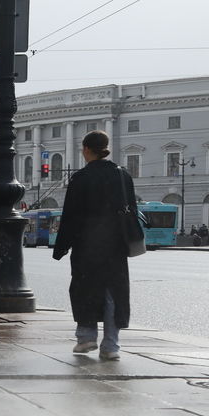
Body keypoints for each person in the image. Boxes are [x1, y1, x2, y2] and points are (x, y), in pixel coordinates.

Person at [52, 130, 132, 361]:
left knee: (85, 290)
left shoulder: (81, 178)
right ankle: (111, 346)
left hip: (87, 245)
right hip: (115, 246)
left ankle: (86, 337)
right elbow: (132, 211)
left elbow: (71, 216)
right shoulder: (122, 176)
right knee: (113, 294)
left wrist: (61, 247)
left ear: (86, 149)